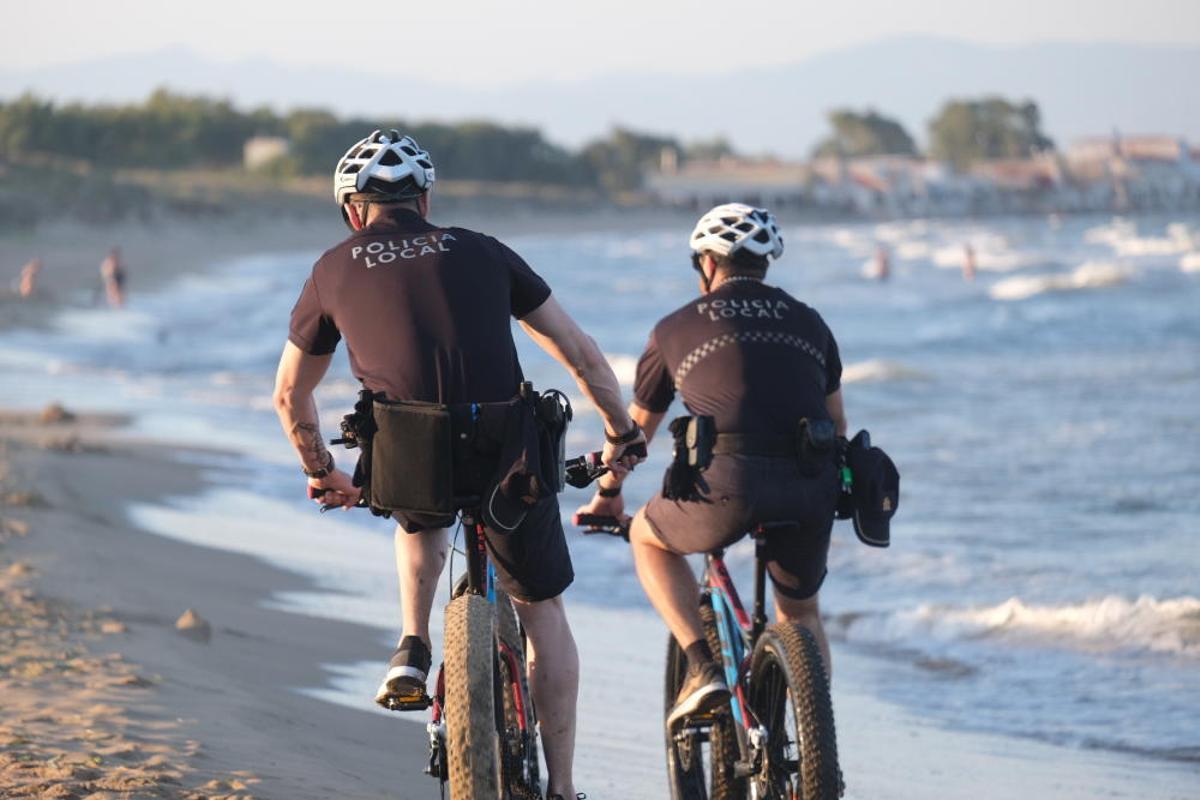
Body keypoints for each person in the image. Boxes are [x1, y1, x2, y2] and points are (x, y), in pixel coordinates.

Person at [272, 129, 643, 800]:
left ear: (352, 210)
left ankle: (411, 645)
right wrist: (622, 432)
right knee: (543, 613)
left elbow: (289, 396)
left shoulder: (332, 267)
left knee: (419, 521)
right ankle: (561, 788)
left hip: (412, 449)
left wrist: (321, 466)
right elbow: (580, 354)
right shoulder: (482, 249)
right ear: (426, 198)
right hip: (508, 449)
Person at [575, 203, 846, 726]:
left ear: (706, 263)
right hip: (809, 487)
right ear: (766, 263)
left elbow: (633, 435)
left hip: (723, 487)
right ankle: (813, 741)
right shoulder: (811, 323)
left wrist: (607, 495)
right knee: (802, 612)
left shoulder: (675, 327)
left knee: (647, 539)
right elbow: (836, 425)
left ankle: (703, 666)